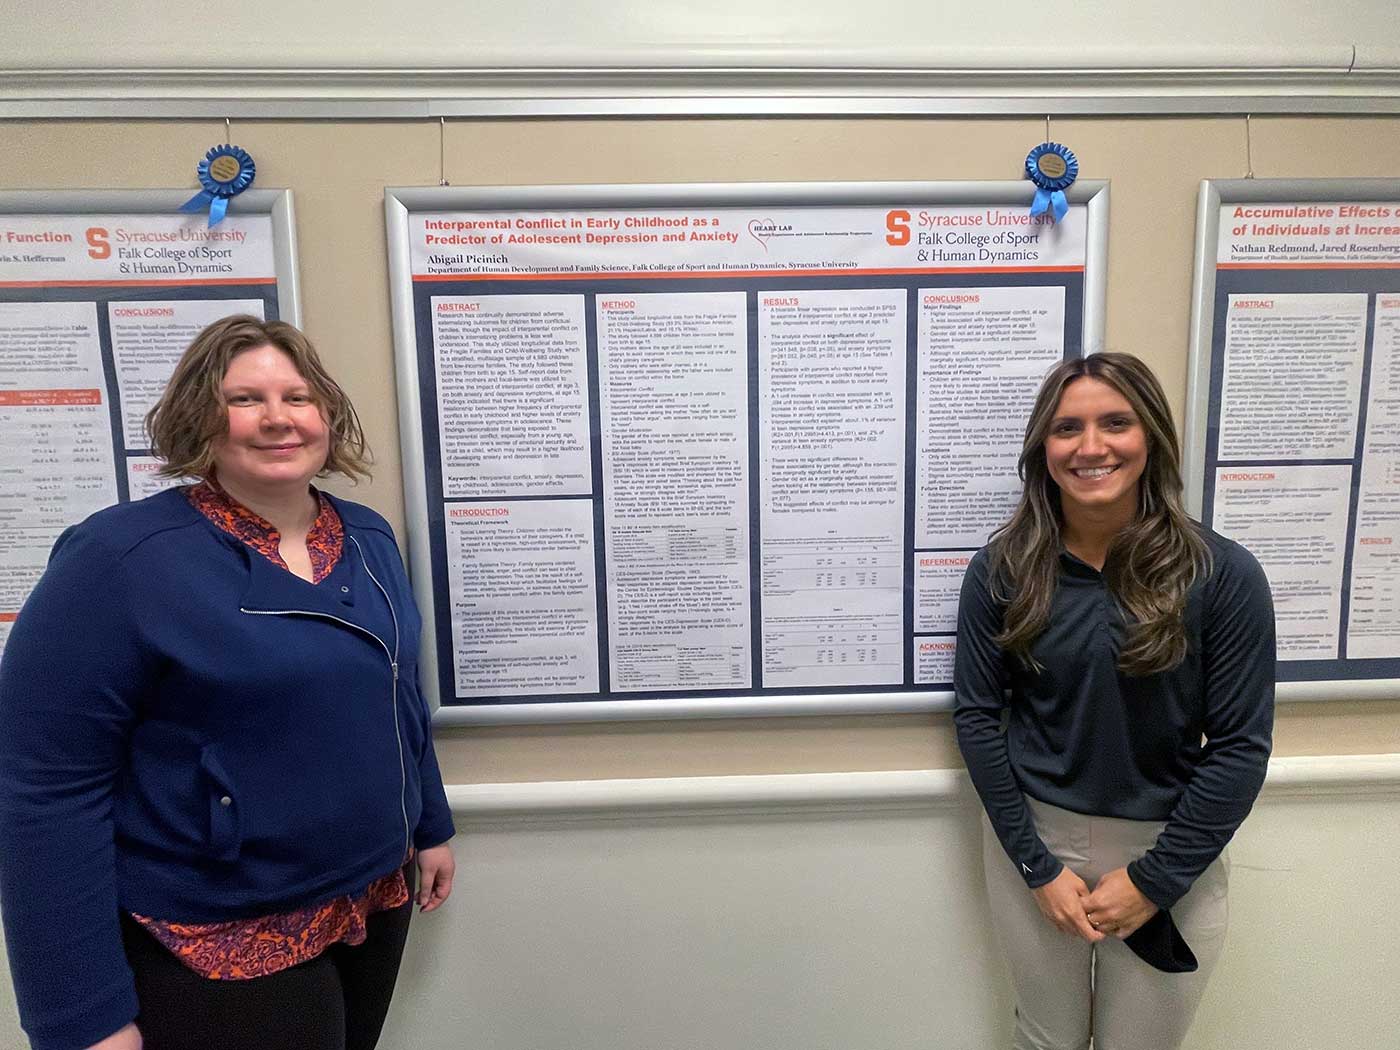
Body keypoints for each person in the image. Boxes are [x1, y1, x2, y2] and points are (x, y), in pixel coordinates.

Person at [0, 316, 456, 1050]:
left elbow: (397, 696)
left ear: (327, 417)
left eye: (297, 397)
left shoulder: (368, 537)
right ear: (200, 419)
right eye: (245, 399)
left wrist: (427, 824)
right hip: (213, 934)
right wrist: (80, 1018)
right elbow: (44, 788)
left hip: (370, 898)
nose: (278, 418)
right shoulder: (120, 561)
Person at [954, 352, 1274, 1050]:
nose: (1091, 446)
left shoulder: (1222, 575)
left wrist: (1155, 880)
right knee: (1045, 1039)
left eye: (1116, 423)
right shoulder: (1002, 570)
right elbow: (978, 719)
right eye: (1068, 427)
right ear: (1044, 447)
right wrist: (1038, 867)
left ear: (1150, 437)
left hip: (1169, 848)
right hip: (1035, 844)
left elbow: (1242, 747)